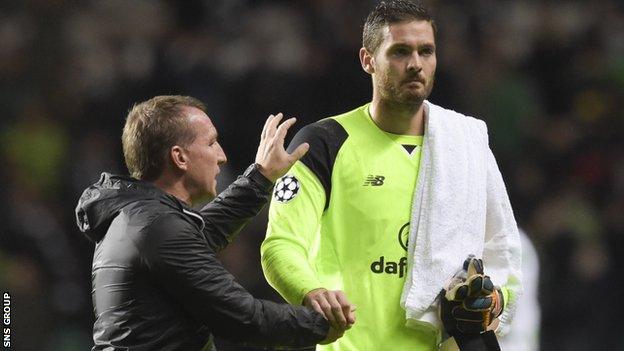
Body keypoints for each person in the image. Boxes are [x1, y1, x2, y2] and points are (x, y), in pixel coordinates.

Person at [260, 1, 522, 350]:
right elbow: (280, 245)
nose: (415, 64)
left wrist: (496, 301)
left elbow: (502, 250)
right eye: (400, 52)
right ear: (367, 59)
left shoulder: (466, 144)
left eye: (425, 51)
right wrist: (312, 292)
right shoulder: (325, 143)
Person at [75, 95, 344, 350]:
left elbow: (203, 231)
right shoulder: (156, 228)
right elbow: (244, 318)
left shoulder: (141, 219)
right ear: (179, 157)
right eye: (211, 143)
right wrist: (323, 324)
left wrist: (261, 177)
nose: (222, 156)